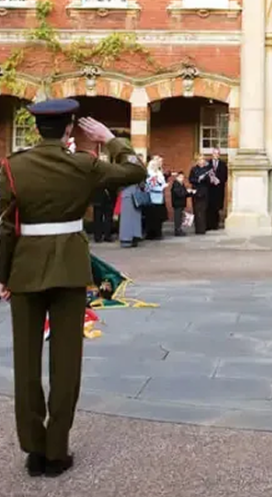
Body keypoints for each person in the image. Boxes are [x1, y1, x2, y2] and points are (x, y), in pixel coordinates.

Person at [0, 99, 146, 477]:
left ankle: (33, 449)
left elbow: (3, 226)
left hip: (25, 271)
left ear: (36, 130)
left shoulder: (13, 167)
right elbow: (134, 171)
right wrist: (111, 140)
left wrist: (3, 275)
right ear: (69, 129)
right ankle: (56, 449)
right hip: (68, 269)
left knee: (27, 364)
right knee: (66, 364)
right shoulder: (83, 164)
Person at [144, 156, 167, 240]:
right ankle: (150, 233)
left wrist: (163, 185)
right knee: (151, 216)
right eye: (154, 165)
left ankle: (158, 233)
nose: (155, 167)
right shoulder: (149, 173)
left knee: (158, 216)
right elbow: (148, 185)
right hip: (151, 196)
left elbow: (163, 182)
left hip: (159, 197)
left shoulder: (159, 173)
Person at [189, 154, 212, 235]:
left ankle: (202, 229)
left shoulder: (207, 170)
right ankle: (197, 229)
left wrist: (204, 178)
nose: (201, 161)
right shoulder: (193, 169)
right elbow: (190, 179)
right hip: (196, 192)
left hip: (204, 192)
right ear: (197, 161)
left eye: (202, 160)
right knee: (196, 210)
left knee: (203, 210)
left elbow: (209, 181)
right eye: (199, 160)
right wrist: (198, 179)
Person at [206, 148, 228, 230]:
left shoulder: (223, 164)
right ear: (212, 154)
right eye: (214, 153)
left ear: (219, 155)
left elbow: (225, 176)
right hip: (209, 189)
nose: (216, 155)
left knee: (217, 207)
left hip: (218, 189)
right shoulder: (208, 163)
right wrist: (211, 180)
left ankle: (215, 225)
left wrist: (219, 181)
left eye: (217, 153)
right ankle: (208, 225)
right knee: (209, 207)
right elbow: (206, 174)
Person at [118, 182, 143, 248]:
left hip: (127, 195)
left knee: (127, 219)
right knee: (133, 219)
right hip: (134, 195)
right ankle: (131, 238)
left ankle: (127, 239)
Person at [171, 172, 192, 237]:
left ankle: (179, 229)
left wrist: (190, 193)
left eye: (183, 177)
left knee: (180, 217)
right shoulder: (176, 184)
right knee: (177, 217)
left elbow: (184, 193)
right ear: (177, 177)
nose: (182, 179)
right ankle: (177, 230)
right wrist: (187, 192)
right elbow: (179, 194)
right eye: (180, 177)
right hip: (177, 203)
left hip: (181, 203)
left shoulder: (181, 184)